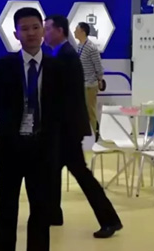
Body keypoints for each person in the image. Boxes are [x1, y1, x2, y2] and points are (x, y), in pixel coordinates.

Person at [0, 7, 61, 251]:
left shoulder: (57, 67)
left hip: (43, 149)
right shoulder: (2, 66)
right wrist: (17, 133)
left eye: (35, 27)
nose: (30, 33)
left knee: (41, 210)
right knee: (6, 209)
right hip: (11, 147)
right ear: (16, 34)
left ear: (43, 31)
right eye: (24, 29)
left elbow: (62, 107)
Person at [44, 15, 123, 239]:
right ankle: (53, 213)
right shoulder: (63, 53)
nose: (44, 34)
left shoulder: (66, 56)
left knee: (82, 175)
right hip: (64, 129)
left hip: (67, 130)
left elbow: (64, 97)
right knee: (52, 172)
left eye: (47, 29)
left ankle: (110, 220)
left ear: (60, 31)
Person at [74, 22, 105, 137]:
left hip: (90, 85)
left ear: (83, 32)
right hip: (81, 84)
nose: (74, 32)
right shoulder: (79, 46)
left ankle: (96, 134)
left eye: (76, 30)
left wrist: (100, 79)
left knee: (90, 111)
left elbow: (98, 66)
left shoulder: (91, 48)